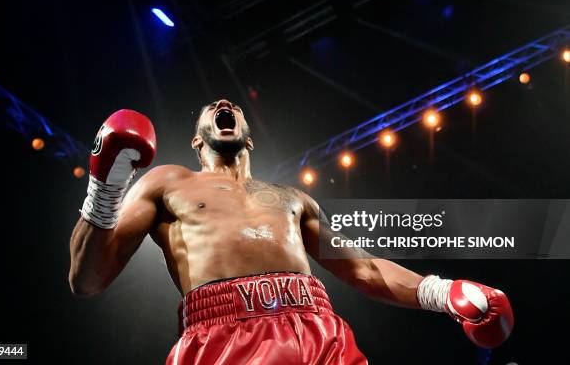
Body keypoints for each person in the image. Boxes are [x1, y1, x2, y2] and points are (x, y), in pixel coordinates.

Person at [69, 99, 514, 364]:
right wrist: (104, 188)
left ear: (249, 137)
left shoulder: (293, 198)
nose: (226, 104)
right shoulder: (168, 181)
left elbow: (363, 269)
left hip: (319, 329)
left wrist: (443, 291)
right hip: (223, 336)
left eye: (235, 107)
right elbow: (86, 279)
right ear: (196, 139)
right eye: (213, 108)